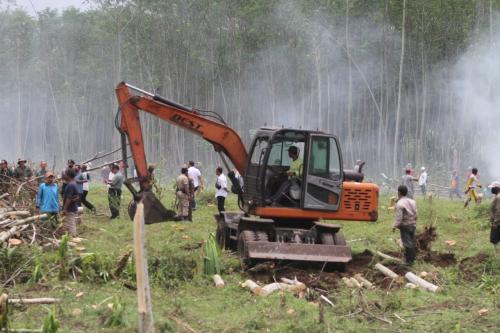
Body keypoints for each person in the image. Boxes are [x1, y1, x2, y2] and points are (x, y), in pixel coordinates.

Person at [393, 185, 418, 265]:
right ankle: (411, 259)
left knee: (407, 244)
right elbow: (416, 214)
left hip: (405, 226)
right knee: (411, 242)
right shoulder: (412, 201)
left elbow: (399, 218)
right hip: (413, 225)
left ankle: (409, 262)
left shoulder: (399, 203)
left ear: (399, 192)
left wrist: (394, 226)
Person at [62, 168, 79, 236]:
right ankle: (71, 237)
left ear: (68, 175)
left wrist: (65, 209)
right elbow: (77, 197)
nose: (64, 175)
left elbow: (68, 198)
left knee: (71, 224)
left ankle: (73, 237)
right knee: (70, 223)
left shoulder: (70, 185)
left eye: (65, 174)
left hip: (70, 209)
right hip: (73, 207)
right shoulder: (73, 183)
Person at [488, 181, 500, 253]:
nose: (491, 189)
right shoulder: (497, 196)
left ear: (497, 188)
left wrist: (495, 222)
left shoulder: (498, 197)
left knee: (495, 239)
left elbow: (499, 211)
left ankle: (498, 255)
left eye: (492, 188)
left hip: (498, 223)